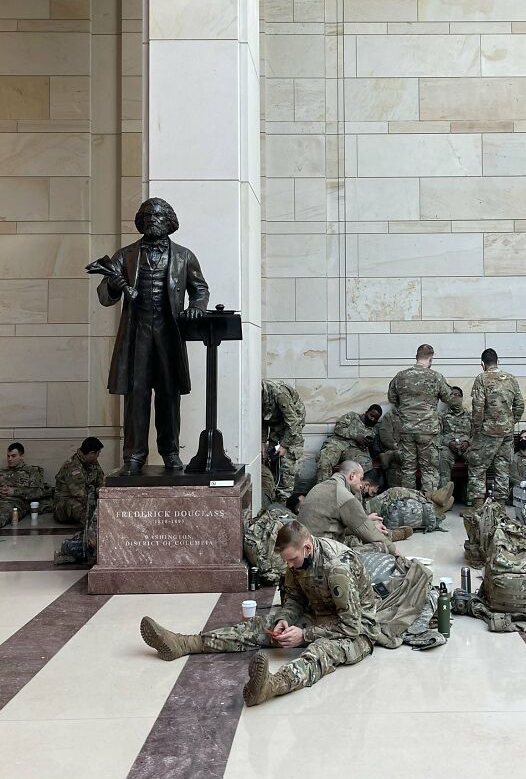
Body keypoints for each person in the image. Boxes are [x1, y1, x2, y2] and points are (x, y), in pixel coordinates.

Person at [140, 520, 381, 705]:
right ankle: (185, 643)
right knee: (259, 627)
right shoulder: (297, 560)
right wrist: (285, 619)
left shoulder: (337, 568)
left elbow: (351, 626)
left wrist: (305, 636)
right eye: (286, 561)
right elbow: (296, 598)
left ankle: (272, 686)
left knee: (321, 651)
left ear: (307, 547)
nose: (289, 566)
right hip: (318, 614)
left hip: (356, 631)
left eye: (292, 560)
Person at [94, 198, 209, 475]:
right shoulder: (125, 255)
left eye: (158, 214)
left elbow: (200, 289)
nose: (153, 218)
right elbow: (104, 297)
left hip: (169, 335)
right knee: (136, 396)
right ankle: (134, 456)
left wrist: (196, 308)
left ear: (169, 220)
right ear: (140, 220)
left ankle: (170, 453)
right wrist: (112, 282)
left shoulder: (184, 256)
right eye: (147, 214)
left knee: (169, 396)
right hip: (137, 335)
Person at [297, 461, 410, 550]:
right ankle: (390, 536)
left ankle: (389, 534)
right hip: (320, 549)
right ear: (352, 476)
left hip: (305, 543)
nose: (361, 483)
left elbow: (334, 524)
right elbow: (366, 531)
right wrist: (394, 550)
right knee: (374, 544)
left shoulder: (320, 487)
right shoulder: (343, 494)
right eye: (360, 479)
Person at [387, 343, 452, 495]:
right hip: (427, 432)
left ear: (416, 357)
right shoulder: (436, 377)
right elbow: (449, 398)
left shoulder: (400, 376)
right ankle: (429, 506)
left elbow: (392, 398)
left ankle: (409, 507)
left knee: (408, 469)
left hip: (406, 430)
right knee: (429, 469)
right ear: (431, 359)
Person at [467, 348, 524, 507]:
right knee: (502, 469)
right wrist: (511, 422)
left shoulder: (482, 378)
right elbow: (519, 405)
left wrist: (476, 429)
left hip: (487, 431)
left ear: (482, 364)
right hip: (506, 432)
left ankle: (478, 507)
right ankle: (500, 509)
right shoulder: (511, 379)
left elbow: (478, 407)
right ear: (498, 361)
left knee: (477, 467)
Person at [361, 468, 453, 533]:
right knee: (392, 493)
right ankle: (433, 500)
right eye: (373, 492)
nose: (371, 494)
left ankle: (432, 500)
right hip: (364, 510)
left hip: (364, 509)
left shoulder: (357, 485)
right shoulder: (356, 486)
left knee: (394, 494)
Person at [261, 379, 306, 502]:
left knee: (286, 466)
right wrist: (262, 443)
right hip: (276, 428)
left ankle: (283, 504)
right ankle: (273, 500)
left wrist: (284, 446)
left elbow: (293, 422)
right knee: (272, 462)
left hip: (292, 429)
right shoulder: (256, 396)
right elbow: (262, 421)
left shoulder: (279, 394)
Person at [315, 404, 383, 482]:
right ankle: (322, 489)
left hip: (354, 450)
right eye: (371, 415)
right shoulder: (352, 416)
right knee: (324, 460)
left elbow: (374, 450)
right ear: (366, 412)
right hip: (337, 443)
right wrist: (355, 436)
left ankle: (355, 492)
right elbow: (338, 428)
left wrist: (367, 445)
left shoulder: (374, 431)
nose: (372, 419)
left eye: (376, 419)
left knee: (366, 464)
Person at [54, 437, 104, 526]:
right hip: (65, 505)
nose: (98, 456)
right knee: (85, 510)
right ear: (91, 453)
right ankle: (94, 530)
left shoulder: (93, 463)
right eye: (98, 453)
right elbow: (80, 494)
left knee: (102, 508)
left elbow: (101, 482)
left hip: (87, 498)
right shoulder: (72, 466)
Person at [0, 443, 50, 527]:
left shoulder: (32, 471)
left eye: (13, 456)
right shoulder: (2, 471)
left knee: (4, 512)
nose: (10, 459)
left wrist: (14, 492)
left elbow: (38, 492)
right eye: (8, 456)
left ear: (22, 456)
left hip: (15, 503)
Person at [438, 386, 472, 489]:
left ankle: (473, 496)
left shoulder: (470, 415)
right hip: (448, 447)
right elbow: (437, 435)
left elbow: (477, 435)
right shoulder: (441, 416)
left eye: (458, 395)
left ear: (462, 398)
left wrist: (467, 443)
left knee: (476, 457)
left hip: (466, 447)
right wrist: (449, 443)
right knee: (442, 457)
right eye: (452, 395)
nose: (455, 397)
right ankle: (444, 495)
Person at [377, 408, 403, 487]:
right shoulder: (390, 416)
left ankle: (391, 455)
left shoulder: (418, 415)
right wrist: (395, 446)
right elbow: (385, 437)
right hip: (397, 449)